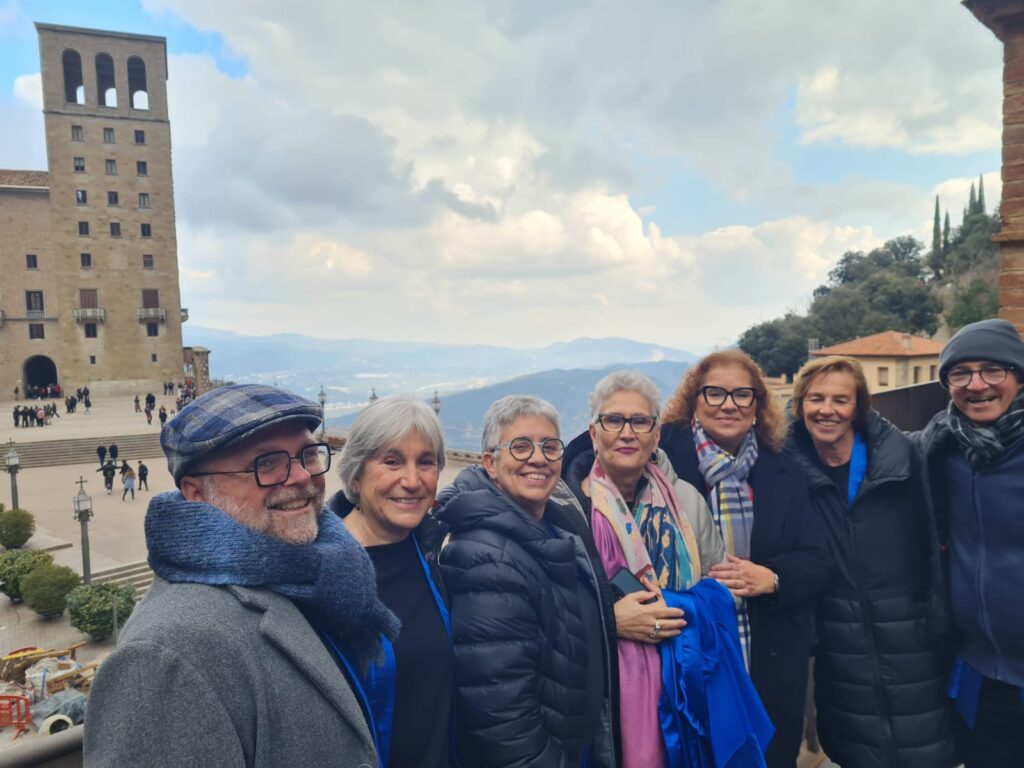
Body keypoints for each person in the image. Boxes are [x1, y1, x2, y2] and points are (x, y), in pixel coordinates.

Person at [84, 384, 396, 767]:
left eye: (308, 454)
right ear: (196, 493)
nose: (301, 475)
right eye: (267, 462)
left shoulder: (318, 575)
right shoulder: (165, 652)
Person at [562, 370, 768, 767]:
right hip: (601, 694)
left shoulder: (686, 501)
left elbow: (723, 591)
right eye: (613, 420)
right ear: (593, 432)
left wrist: (672, 610)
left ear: (656, 435)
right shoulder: (567, 509)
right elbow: (553, 609)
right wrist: (611, 621)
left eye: (640, 421)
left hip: (687, 687)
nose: (627, 433)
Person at [658, 351, 832, 768]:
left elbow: (819, 559)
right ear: (694, 400)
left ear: (757, 405)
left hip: (771, 657)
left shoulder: (784, 467)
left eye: (742, 394)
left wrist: (773, 577)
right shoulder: (660, 460)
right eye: (715, 393)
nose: (728, 404)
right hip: (689, 653)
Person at [785, 356, 954, 768]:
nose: (827, 410)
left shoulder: (906, 459)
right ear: (799, 405)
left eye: (840, 399)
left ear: (858, 406)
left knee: (929, 749)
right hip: (839, 652)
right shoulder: (786, 472)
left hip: (915, 643)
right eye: (816, 398)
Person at [436, 395, 616, 767]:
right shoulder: (486, 559)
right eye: (520, 446)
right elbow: (502, 720)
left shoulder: (554, 524)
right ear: (490, 463)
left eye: (550, 446)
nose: (538, 458)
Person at [914, 319, 1024, 766]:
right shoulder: (940, 448)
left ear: (1019, 376)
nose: (976, 385)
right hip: (980, 672)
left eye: (993, 370)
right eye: (960, 373)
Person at [327, 396, 454, 768]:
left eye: (425, 462)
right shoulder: (322, 572)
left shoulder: (430, 549)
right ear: (356, 472)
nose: (412, 481)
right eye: (392, 461)